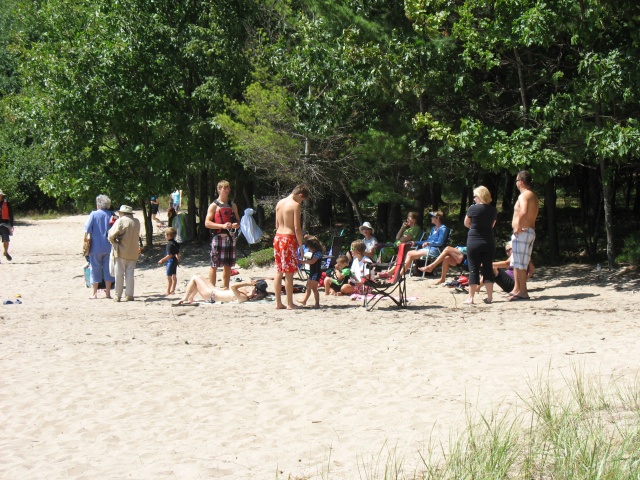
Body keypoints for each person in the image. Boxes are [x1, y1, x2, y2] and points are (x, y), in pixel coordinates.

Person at [273, 185, 310, 310]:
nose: (302, 202)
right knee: (289, 272)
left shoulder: (280, 203)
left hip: (278, 237)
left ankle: (278, 302)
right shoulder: (295, 205)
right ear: (300, 196)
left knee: (279, 271)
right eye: (302, 200)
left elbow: (277, 224)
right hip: (288, 238)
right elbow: (297, 228)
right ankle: (290, 303)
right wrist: (300, 245)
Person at [205, 180, 241, 289]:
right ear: (219, 190)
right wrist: (222, 226)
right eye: (224, 188)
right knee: (214, 264)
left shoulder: (232, 205)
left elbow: (239, 221)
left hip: (230, 237)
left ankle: (225, 287)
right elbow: (207, 223)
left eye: (228, 188)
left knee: (228, 264)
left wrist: (236, 225)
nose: (227, 190)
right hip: (218, 238)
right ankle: (212, 289)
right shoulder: (214, 205)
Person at [464, 186, 497, 305]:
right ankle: (489, 297)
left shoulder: (472, 209)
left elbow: (466, 223)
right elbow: (492, 224)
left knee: (473, 269)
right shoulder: (493, 210)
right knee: (488, 268)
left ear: (479, 196)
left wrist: (474, 227)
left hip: (474, 241)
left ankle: (471, 298)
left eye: (475, 196)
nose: (474, 199)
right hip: (489, 241)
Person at [509, 170, 539, 301]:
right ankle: (517, 288)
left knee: (521, 263)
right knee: (516, 262)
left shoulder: (524, 195)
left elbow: (524, 210)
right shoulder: (532, 195)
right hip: (527, 232)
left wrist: (518, 226)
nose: (516, 183)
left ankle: (523, 291)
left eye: (516, 181)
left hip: (523, 232)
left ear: (520, 182)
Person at [108, 205, 141, 302]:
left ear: (122, 213)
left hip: (121, 250)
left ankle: (118, 295)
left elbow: (111, 235)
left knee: (119, 274)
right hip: (133, 251)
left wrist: (114, 241)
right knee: (130, 274)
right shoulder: (137, 221)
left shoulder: (121, 221)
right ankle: (129, 295)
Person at [84, 194, 115, 299]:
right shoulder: (112, 214)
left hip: (95, 246)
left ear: (98, 204)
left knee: (95, 268)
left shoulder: (93, 214)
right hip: (109, 246)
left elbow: (87, 229)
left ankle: (94, 293)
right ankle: (108, 293)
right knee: (108, 269)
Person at [176, 276, 268, 305]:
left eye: (254, 288)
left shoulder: (243, 297)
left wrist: (247, 283)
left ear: (256, 292)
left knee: (195, 278)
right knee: (199, 276)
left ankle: (185, 298)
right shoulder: (245, 292)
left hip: (210, 295)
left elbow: (233, 286)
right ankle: (190, 298)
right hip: (214, 291)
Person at [299, 236, 324, 308]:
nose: (309, 250)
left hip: (316, 273)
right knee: (308, 287)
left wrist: (303, 262)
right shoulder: (315, 252)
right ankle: (304, 300)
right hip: (312, 272)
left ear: (314, 247)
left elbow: (312, 261)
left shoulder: (318, 253)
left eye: (310, 248)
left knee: (314, 288)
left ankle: (317, 304)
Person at [157, 227, 180, 295]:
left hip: (170, 261)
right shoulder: (176, 243)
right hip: (175, 260)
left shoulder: (169, 244)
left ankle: (168, 291)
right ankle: (173, 290)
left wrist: (162, 260)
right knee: (174, 276)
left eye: (165, 235)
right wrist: (178, 261)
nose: (165, 237)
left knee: (169, 277)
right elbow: (178, 253)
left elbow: (170, 255)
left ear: (169, 236)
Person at [0, 190, 14, 261]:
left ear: (2, 196)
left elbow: (11, 214)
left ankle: (5, 252)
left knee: (6, 240)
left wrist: (11, 225)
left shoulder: (7, 204)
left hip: (4, 224)